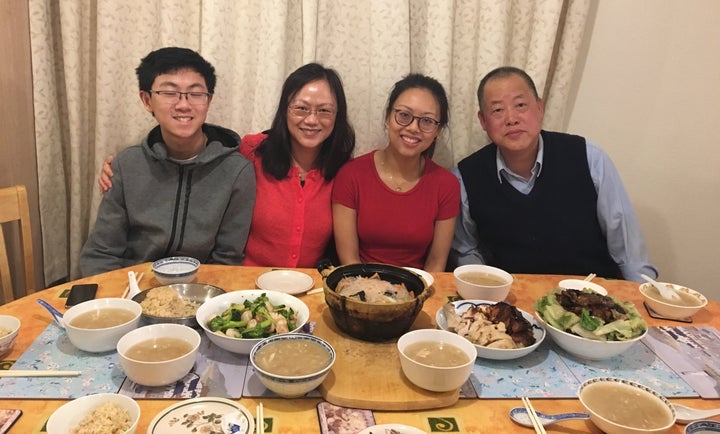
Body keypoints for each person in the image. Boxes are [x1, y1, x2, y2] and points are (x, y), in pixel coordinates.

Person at [98, 63, 355, 268]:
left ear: (337, 116)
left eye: (324, 111)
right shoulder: (252, 152)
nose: (312, 120)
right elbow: (198, 156)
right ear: (284, 111)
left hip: (307, 293)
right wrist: (125, 165)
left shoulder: (345, 171)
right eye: (301, 108)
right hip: (243, 287)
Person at [449, 66, 657, 282]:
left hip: (593, 299)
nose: (511, 118)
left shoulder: (588, 158)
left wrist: (643, 302)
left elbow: (630, 255)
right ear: (483, 121)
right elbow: (466, 251)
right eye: (497, 110)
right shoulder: (465, 176)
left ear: (540, 108)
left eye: (520, 105)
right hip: (513, 304)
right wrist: (485, 291)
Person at [80, 47, 256, 277]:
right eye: (170, 92)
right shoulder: (126, 165)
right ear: (147, 100)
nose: (183, 105)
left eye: (195, 93)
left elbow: (226, 259)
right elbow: (102, 253)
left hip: (200, 295)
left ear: (208, 100)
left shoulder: (236, 171)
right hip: (131, 291)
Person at [332, 74, 460, 272]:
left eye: (427, 121)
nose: (413, 128)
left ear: (437, 131)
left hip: (418, 290)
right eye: (404, 115)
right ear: (387, 117)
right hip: (359, 287)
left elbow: (436, 263)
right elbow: (349, 259)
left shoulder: (446, 185)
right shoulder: (351, 175)